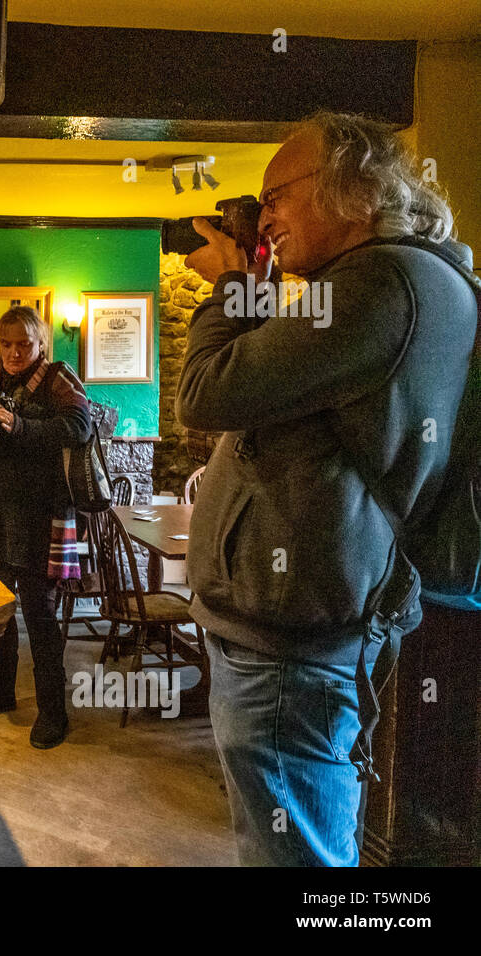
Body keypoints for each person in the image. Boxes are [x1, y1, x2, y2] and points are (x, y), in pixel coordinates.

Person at [176, 110, 478, 866]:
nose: (266, 215)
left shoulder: (379, 284)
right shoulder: (397, 281)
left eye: (277, 194)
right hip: (297, 634)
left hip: (291, 647)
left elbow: (206, 393)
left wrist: (232, 291)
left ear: (354, 189)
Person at [0, 306, 91, 749]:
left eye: (22, 344)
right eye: (5, 344)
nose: (12, 353)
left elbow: (80, 426)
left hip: (38, 519)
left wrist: (18, 424)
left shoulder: (57, 377)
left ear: (40, 344)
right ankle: (1, 695)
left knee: (41, 617)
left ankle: (53, 714)